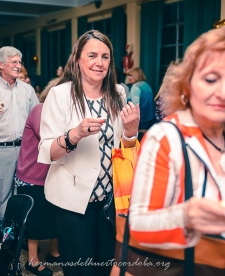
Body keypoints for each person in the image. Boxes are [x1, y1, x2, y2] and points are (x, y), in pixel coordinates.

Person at [129, 27, 225, 275]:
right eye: (210, 79)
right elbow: (138, 225)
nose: (224, 92)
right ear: (187, 85)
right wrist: (186, 216)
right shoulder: (165, 138)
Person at [38, 30, 140, 276]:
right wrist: (74, 135)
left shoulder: (118, 93)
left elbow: (123, 153)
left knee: (108, 266)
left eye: (105, 57)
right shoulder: (60, 94)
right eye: (92, 55)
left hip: (110, 201)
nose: (99, 62)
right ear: (78, 59)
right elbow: (47, 152)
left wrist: (131, 132)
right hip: (73, 202)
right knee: (81, 270)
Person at [0, 46, 39, 219]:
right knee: (3, 198)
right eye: (14, 62)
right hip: (0, 151)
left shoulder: (28, 90)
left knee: (25, 195)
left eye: (19, 62)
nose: (18, 65)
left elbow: (37, 119)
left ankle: (22, 236)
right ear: (1, 65)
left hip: (26, 152)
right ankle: (4, 241)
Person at [16, 78, 60, 276]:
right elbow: (51, 140)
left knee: (54, 215)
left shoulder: (60, 114)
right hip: (32, 175)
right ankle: (32, 260)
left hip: (51, 175)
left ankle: (54, 252)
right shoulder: (40, 110)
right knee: (34, 218)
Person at [126, 67, 154, 135]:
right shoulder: (147, 85)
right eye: (127, 75)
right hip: (149, 120)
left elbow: (135, 107)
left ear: (136, 76)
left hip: (140, 123)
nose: (128, 78)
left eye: (130, 75)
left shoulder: (135, 86)